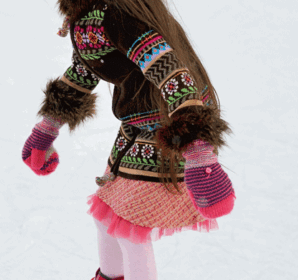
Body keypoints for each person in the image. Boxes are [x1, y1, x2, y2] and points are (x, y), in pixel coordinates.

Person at [21, 0, 236, 279]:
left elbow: (168, 68)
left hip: (167, 126)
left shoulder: (116, 15)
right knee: (106, 217)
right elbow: (85, 70)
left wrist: (198, 149)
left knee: (128, 228)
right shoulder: (89, 15)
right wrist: (46, 129)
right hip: (137, 125)